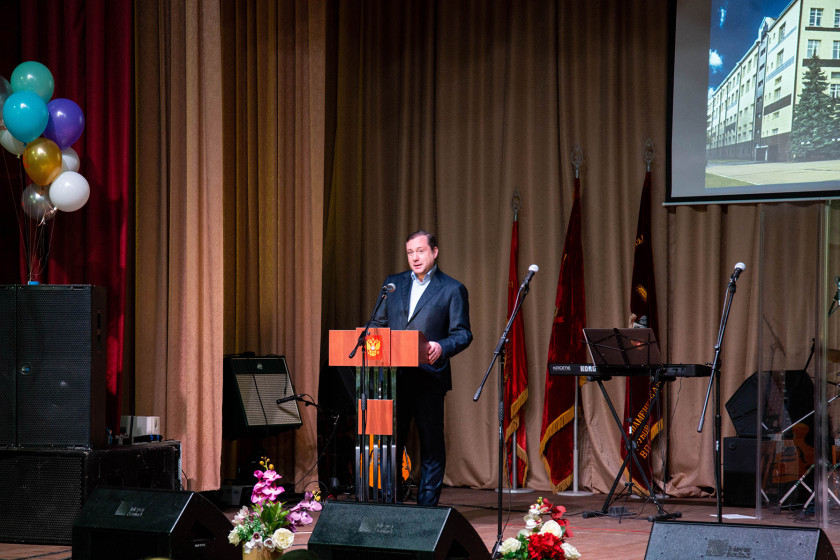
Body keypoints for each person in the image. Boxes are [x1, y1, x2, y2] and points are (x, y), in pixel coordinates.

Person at [370, 229, 472, 506]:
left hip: (429, 378)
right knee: (390, 444)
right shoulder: (393, 284)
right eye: (410, 252)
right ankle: (390, 503)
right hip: (394, 378)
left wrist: (441, 346)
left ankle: (426, 510)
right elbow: (377, 324)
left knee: (431, 446)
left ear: (434, 252)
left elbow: (463, 333)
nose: (415, 257)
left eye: (420, 251)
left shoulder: (452, 289)